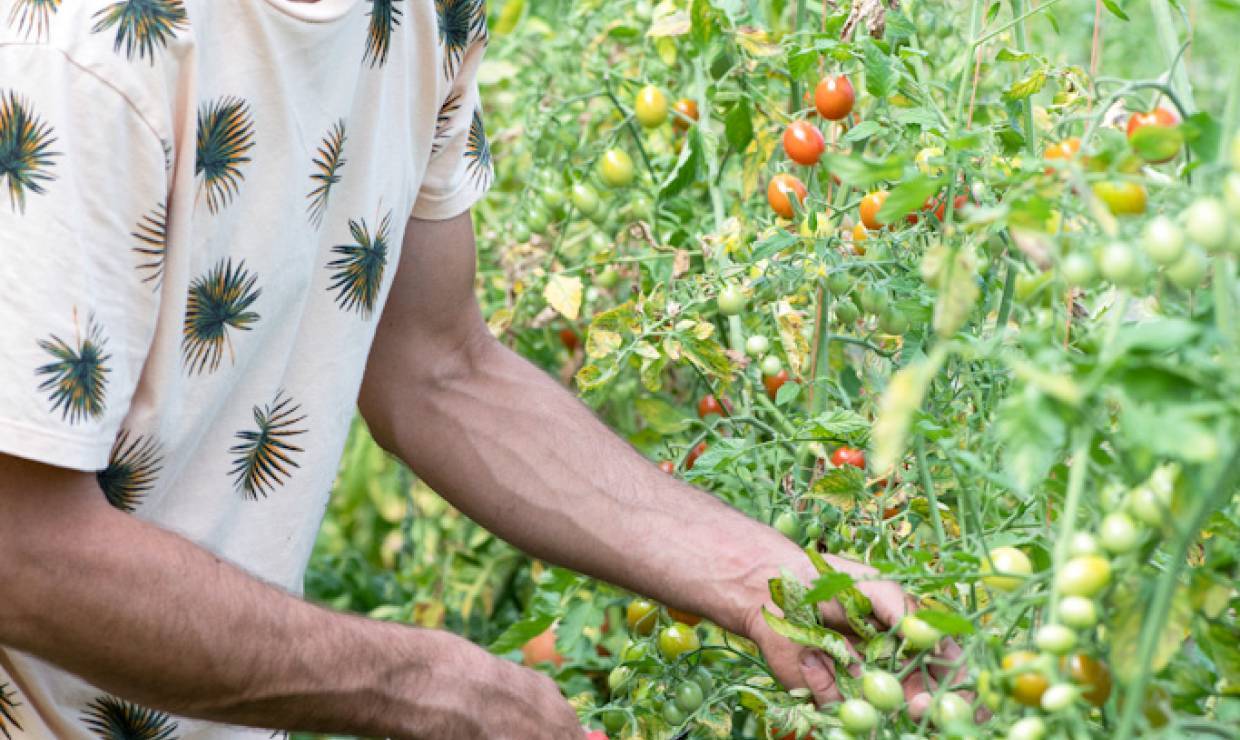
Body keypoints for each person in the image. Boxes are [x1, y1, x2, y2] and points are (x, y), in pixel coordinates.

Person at [0, 1, 954, 737]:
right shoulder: (80, 54)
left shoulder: (426, 13)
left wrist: (764, 580)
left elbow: (435, 364)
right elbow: (22, 552)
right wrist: (422, 683)